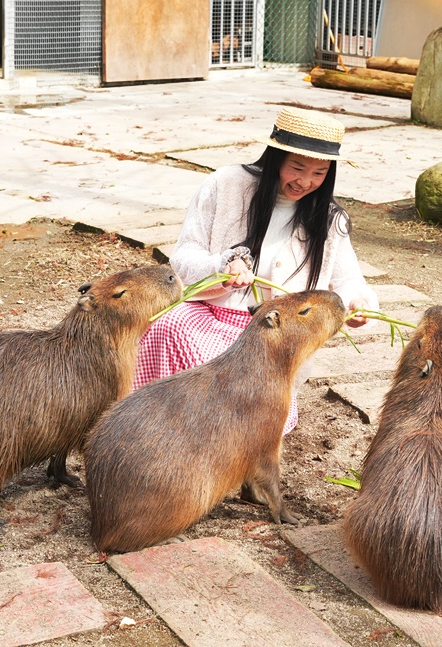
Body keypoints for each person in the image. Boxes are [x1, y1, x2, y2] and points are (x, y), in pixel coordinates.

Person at [133, 106, 379, 432]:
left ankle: (219, 439)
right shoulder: (226, 185)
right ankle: (163, 425)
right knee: (169, 326)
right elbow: (184, 256)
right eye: (297, 168)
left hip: (272, 333)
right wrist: (222, 265)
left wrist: (357, 304)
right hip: (209, 312)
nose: (305, 181)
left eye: (319, 173)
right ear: (276, 157)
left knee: (243, 382)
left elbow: (349, 280)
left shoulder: (330, 220)